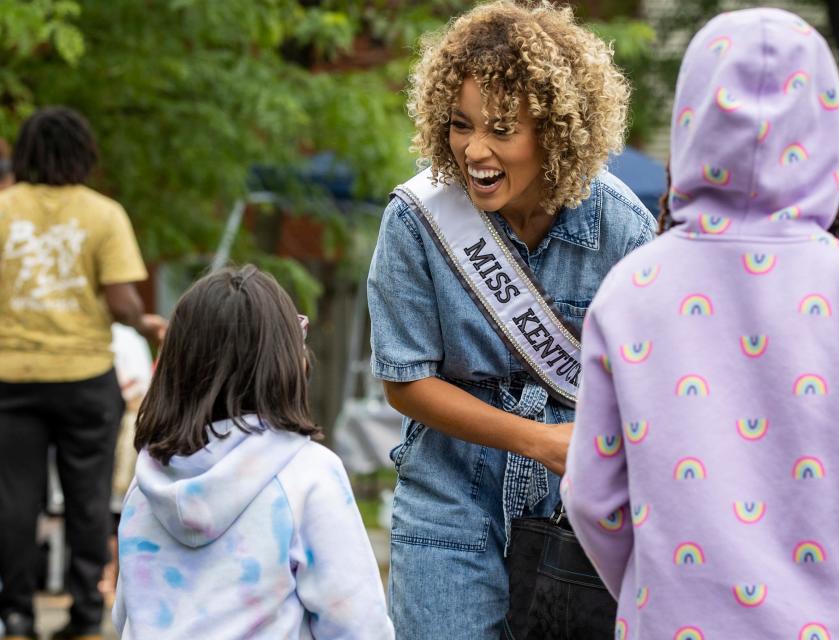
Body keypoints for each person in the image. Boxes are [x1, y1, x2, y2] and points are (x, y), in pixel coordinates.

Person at [563, 7, 839, 639]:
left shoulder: (630, 291)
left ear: (689, 120)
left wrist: (652, 590)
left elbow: (590, 495)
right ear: (828, 122)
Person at [366, 2, 656, 637]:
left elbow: (652, 389)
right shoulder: (418, 220)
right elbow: (405, 382)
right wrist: (539, 440)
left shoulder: (626, 230)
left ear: (555, 130)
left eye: (502, 129)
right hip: (448, 505)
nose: (474, 151)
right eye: (460, 125)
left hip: (576, 516)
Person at [112, 265, 394, 639]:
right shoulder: (307, 473)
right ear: (282, 361)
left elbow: (126, 616)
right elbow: (358, 624)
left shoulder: (147, 483)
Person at [0, 107, 166, 640]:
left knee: (13, 499)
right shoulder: (103, 214)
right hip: (85, 376)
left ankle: (18, 616)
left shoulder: (2, 210)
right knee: (89, 499)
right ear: (83, 154)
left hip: (10, 377)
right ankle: (85, 616)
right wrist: (146, 324)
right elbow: (121, 303)